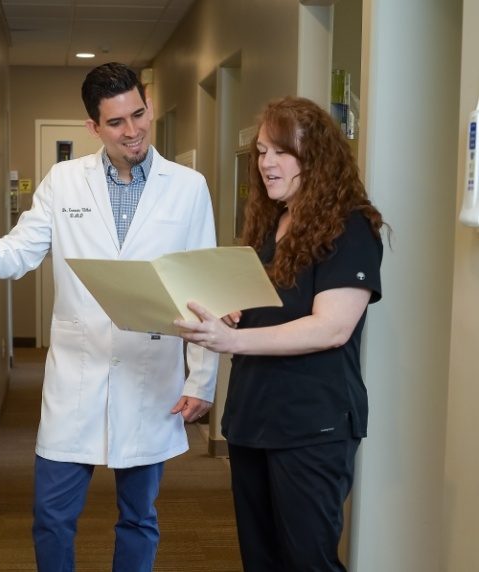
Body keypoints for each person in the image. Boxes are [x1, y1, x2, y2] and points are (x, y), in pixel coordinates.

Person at [0, 62, 218, 572]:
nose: (132, 131)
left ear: (148, 105)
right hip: (78, 371)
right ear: (93, 127)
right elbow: (18, 253)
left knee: (138, 517)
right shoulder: (64, 182)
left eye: (138, 114)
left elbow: (202, 290)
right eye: (116, 123)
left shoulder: (188, 187)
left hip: (151, 371)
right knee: (51, 517)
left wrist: (203, 378)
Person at [174, 95, 386, 572]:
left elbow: (331, 327)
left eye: (281, 152)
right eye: (263, 152)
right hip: (254, 416)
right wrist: (233, 312)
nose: (267, 163)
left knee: (307, 560)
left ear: (316, 158)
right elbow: (271, 309)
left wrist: (232, 341)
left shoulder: (351, 227)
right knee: (262, 558)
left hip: (312, 424)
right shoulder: (273, 223)